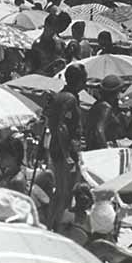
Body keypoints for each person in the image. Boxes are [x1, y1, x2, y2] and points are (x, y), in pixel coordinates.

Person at [42, 63, 87, 230]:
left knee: (61, 192)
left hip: (58, 149)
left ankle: (52, 224)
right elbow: (60, 126)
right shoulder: (69, 98)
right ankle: (54, 227)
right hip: (63, 151)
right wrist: (67, 154)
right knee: (65, 193)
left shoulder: (63, 96)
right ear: (79, 81)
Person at [86, 74, 125, 150]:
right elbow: (99, 130)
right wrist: (105, 151)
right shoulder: (106, 107)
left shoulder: (98, 105)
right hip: (101, 148)